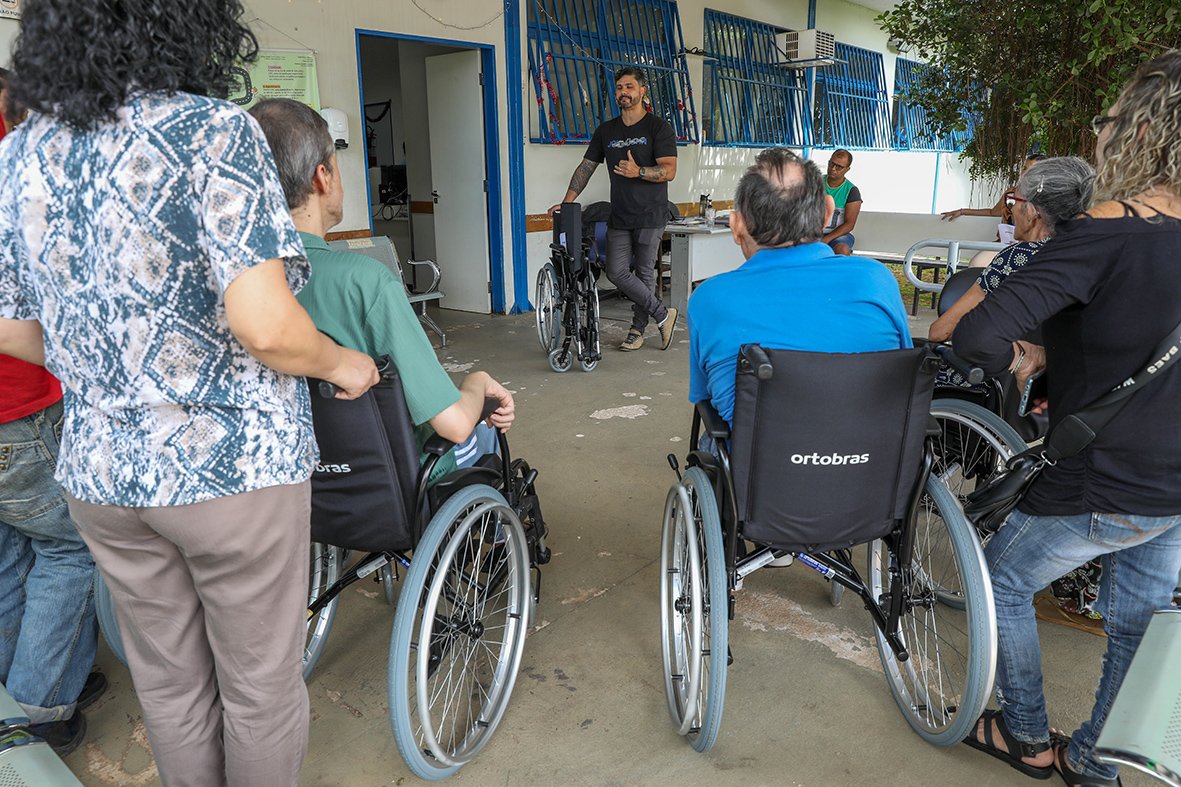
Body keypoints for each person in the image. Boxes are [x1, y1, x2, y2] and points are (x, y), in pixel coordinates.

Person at [0, 3, 378, 785]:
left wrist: (107, 364)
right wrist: (342, 363)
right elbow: (267, 327)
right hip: (231, 471)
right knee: (259, 689)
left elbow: (12, 327)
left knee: (169, 685)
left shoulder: (24, 151)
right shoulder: (213, 130)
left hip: (102, 476)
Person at [955, 50, 1181, 787]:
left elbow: (976, 334)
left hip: (1101, 474)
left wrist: (1023, 359)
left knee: (998, 580)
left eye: (1106, 119)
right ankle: (1093, 760)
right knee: (1135, 625)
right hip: (1171, 482)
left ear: (1141, 131)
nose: (1098, 132)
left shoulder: (1106, 229)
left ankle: (1025, 736)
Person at [248, 98, 514, 481]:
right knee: (486, 429)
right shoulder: (364, 281)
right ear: (322, 177)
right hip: (390, 478)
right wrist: (478, 382)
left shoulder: (239, 283)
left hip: (291, 477)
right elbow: (454, 424)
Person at [689, 147, 912, 427]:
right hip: (872, 461)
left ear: (736, 226)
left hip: (760, 465)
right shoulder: (876, 281)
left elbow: (704, 397)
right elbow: (904, 377)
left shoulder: (709, 298)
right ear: (827, 214)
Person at [549, 66, 679, 352]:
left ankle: (636, 330)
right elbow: (586, 167)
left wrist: (639, 171)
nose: (624, 92)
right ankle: (663, 314)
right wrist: (568, 200)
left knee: (644, 273)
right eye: (620, 87)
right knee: (616, 270)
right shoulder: (606, 131)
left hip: (651, 214)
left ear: (642, 91)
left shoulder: (658, 127)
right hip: (619, 215)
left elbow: (669, 171)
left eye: (629, 87)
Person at [929, 156, 1096, 344]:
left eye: (1014, 202)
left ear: (1032, 211)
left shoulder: (1015, 257)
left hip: (999, 369)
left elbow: (939, 332)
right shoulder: (1089, 256)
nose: (1012, 209)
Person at [942, 153, 1047, 229]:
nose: (1025, 173)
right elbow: (992, 212)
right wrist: (962, 211)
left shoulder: (1047, 198)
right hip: (1004, 245)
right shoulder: (1010, 194)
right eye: (1024, 168)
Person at [820, 148, 862, 255]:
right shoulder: (814, 182)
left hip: (838, 235)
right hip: (813, 233)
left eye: (839, 167)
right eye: (831, 164)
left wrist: (826, 239)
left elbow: (849, 224)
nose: (833, 168)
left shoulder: (851, 191)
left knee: (842, 249)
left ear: (847, 169)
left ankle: (838, 272)